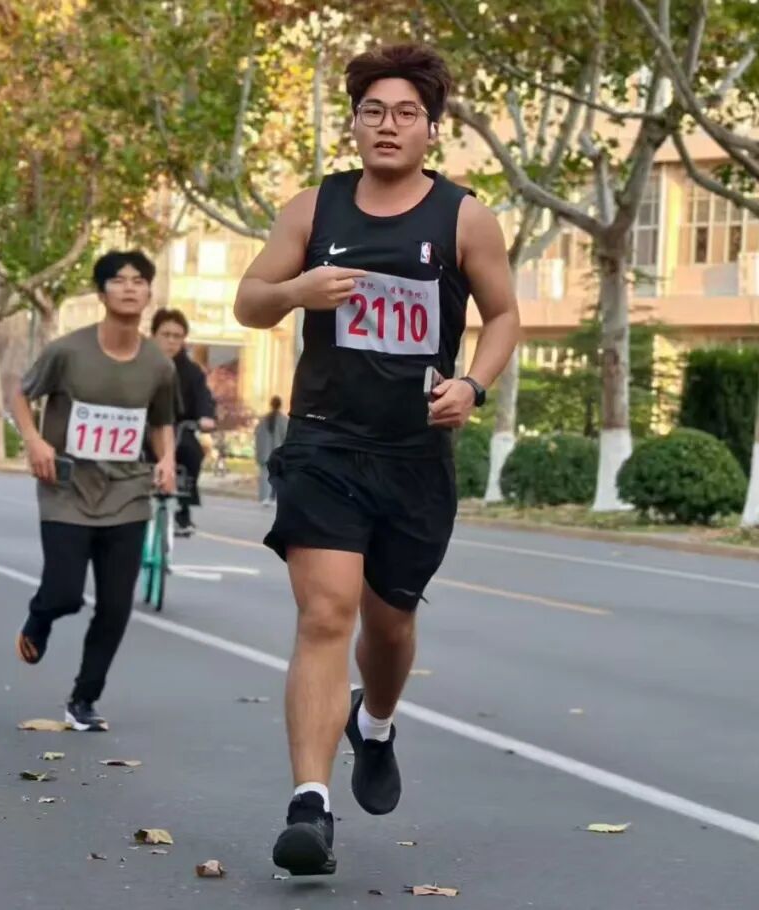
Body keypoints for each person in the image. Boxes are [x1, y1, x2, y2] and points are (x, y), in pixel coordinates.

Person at [235, 44, 520, 876]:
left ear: (432, 129)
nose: (387, 126)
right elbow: (249, 302)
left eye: (405, 114)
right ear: (354, 124)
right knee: (326, 615)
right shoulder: (311, 209)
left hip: (414, 454)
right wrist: (296, 292)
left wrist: (472, 383)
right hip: (325, 441)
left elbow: (504, 316)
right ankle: (309, 806)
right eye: (372, 112)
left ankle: (377, 722)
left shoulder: (465, 218)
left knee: (389, 625)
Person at [11, 250, 177, 732]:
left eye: (139, 280)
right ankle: (41, 615)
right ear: (102, 292)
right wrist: (34, 440)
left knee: (116, 606)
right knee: (64, 592)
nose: (129, 287)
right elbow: (21, 393)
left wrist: (166, 459)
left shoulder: (158, 364)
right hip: (65, 488)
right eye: (118, 280)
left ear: (149, 293)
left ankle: (84, 699)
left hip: (127, 493)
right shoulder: (67, 351)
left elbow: (161, 421)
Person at [150, 308, 217, 535]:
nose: (171, 341)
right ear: (153, 335)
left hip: (178, 428)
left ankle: (183, 511)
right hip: (143, 427)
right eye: (166, 334)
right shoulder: (139, 363)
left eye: (177, 336)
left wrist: (206, 417)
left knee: (192, 452)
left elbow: (203, 396)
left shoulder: (192, 371)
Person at [254, 396, 287, 506]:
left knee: (265, 475)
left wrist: (259, 453)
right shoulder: (284, 420)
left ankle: (265, 497)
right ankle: (274, 497)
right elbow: (287, 438)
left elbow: (258, 436)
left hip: (265, 453)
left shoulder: (262, 420)